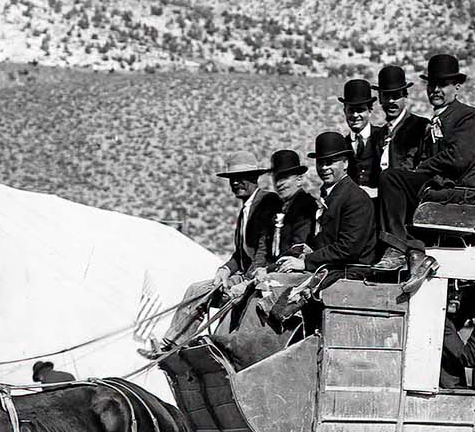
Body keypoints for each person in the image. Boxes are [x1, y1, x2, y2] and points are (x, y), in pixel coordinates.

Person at [375, 53, 475, 294]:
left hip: (457, 191)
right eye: (432, 85)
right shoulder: (434, 121)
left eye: (443, 85)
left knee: (392, 179)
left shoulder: (468, 117)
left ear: (457, 86)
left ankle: (399, 248)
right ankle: (411, 251)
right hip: (437, 186)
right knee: (387, 186)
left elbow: (457, 159)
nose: (435, 90)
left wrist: (419, 170)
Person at [154, 151, 280, 351]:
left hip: (259, 278)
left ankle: (185, 347)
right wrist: (225, 270)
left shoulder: (267, 202)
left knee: (215, 312)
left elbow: (263, 251)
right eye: (232, 179)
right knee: (196, 290)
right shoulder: (244, 210)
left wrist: (245, 282)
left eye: (241, 178)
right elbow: (239, 254)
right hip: (243, 277)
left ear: (255, 178)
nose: (236, 183)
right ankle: (171, 344)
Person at [269, 131, 377, 320]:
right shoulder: (331, 195)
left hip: (349, 273)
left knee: (278, 295)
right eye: (321, 162)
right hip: (330, 269)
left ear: (345, 163)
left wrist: (305, 262)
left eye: (331, 162)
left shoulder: (355, 198)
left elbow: (348, 248)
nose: (324, 168)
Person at [373, 64, 427, 178]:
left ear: (405, 96)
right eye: (386, 96)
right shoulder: (379, 135)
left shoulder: (420, 126)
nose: (391, 101)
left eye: (396, 95)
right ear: (380, 98)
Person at [265, 148, 316, 266]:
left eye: (284, 178)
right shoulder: (278, 207)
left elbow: (297, 247)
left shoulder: (306, 205)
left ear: (299, 180)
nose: (279, 184)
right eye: (276, 178)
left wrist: (268, 269)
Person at [338, 78, 381, 197]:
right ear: (345, 111)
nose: (355, 115)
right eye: (351, 110)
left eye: (361, 110)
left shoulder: (383, 137)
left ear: (370, 111)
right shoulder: (342, 145)